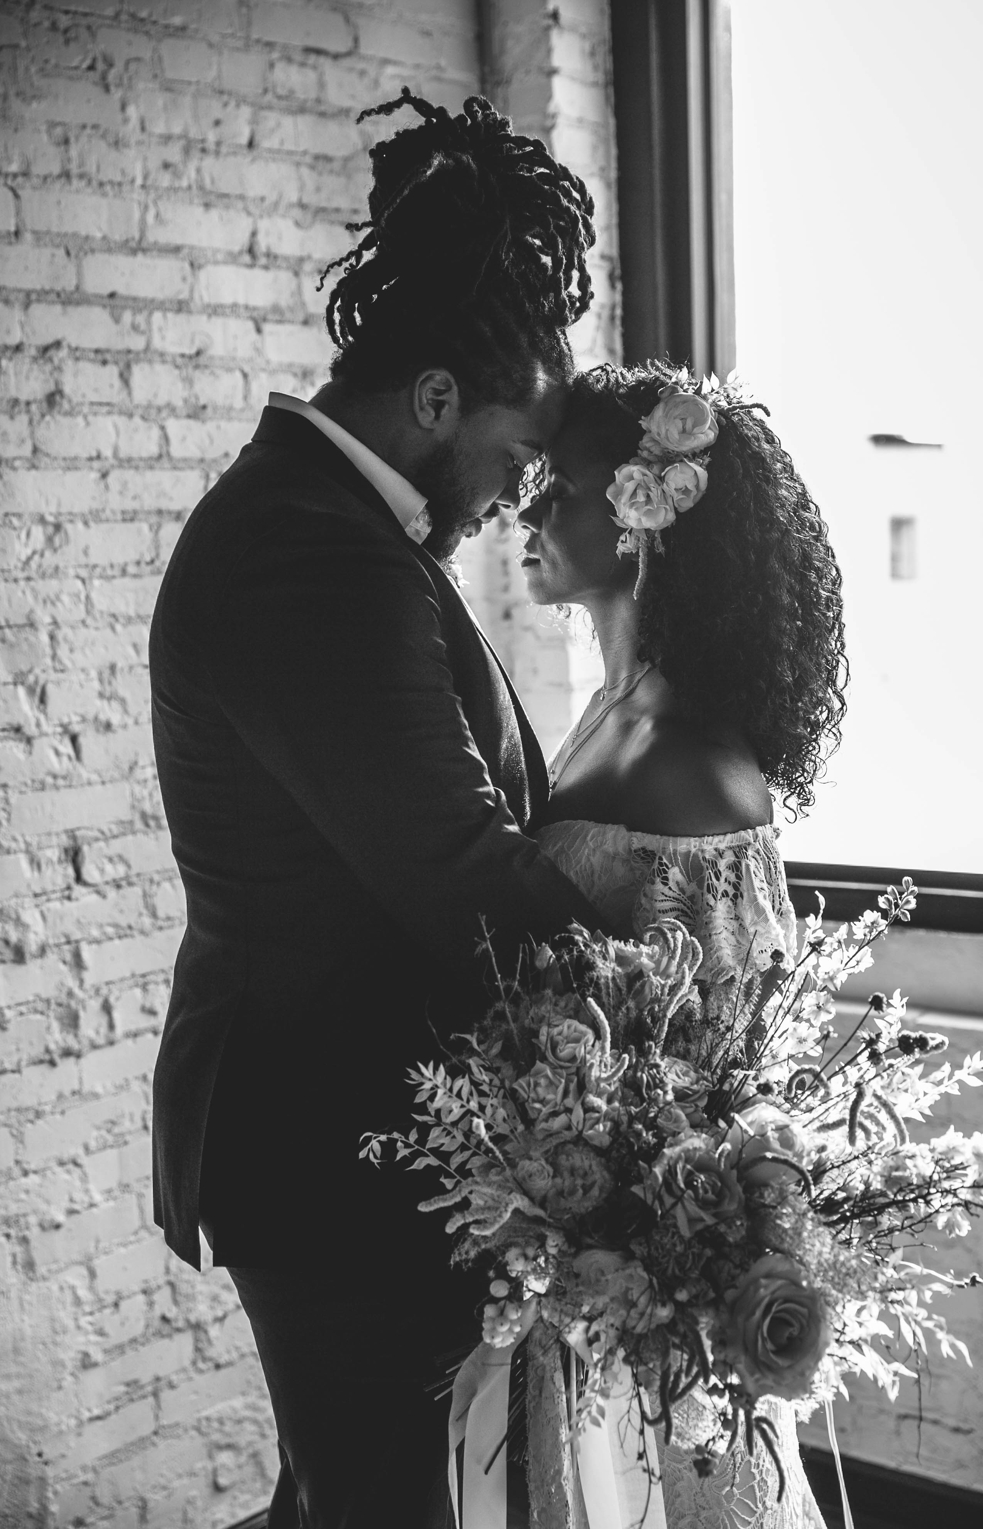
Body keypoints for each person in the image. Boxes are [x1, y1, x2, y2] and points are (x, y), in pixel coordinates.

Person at [146, 92, 606, 1528]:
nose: (517, 497)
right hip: (325, 1155)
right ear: (431, 401)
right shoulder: (305, 557)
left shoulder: (342, 535)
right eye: (515, 459)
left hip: (361, 1142)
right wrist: (670, 945)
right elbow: (465, 876)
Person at [513, 360, 845, 1526]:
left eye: (557, 485)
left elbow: (716, 1054)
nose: (525, 509)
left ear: (642, 512)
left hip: (645, 1269)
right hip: (569, 1237)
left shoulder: (691, 759)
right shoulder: (612, 712)